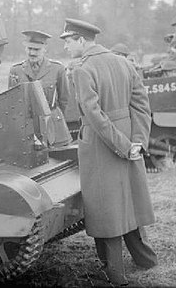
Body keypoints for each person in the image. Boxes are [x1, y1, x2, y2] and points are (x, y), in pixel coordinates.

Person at [61, 18, 157, 286]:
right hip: (128, 141)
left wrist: (123, 146)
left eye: (68, 41)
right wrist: (137, 141)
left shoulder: (83, 70)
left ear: (81, 40)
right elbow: (141, 104)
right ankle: (146, 259)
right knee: (130, 202)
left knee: (105, 208)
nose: (66, 48)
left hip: (102, 146)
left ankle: (113, 273)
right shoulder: (124, 62)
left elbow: (94, 116)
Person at [8, 30, 69, 114]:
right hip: (25, 123)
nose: (32, 53)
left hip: (49, 122)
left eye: (37, 49)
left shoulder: (58, 69)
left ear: (45, 49)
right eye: (29, 48)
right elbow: (12, 103)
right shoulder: (16, 70)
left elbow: (64, 101)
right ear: (25, 48)